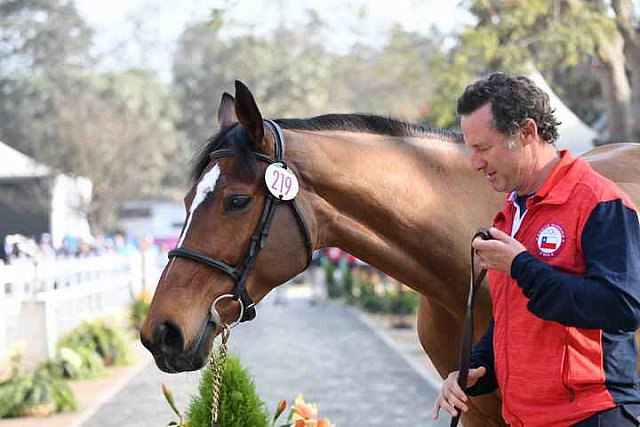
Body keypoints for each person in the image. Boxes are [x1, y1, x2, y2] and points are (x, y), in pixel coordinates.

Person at [433, 72, 640, 426]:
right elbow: (513, 316)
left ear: (527, 132)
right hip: (525, 418)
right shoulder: (511, 212)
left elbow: (622, 307)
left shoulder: (599, 201)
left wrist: (521, 266)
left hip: (593, 415)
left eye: (484, 148)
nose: (475, 163)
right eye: (471, 149)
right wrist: (475, 369)